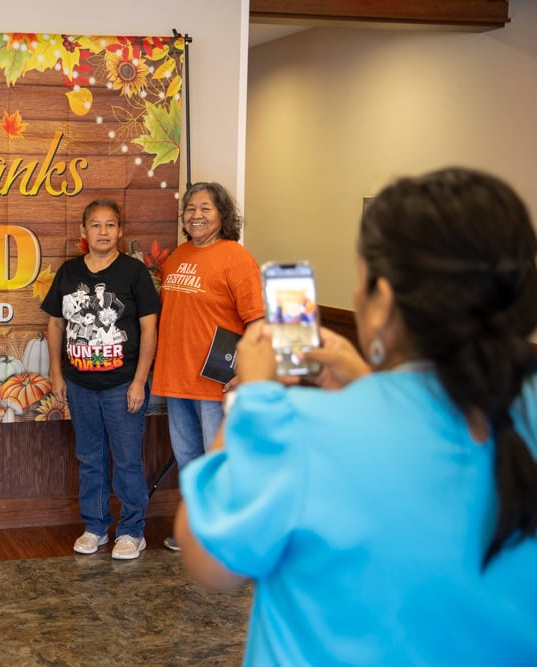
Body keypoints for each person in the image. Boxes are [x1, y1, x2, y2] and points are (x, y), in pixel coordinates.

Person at [175, 167, 537, 664]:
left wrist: (252, 399)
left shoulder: (304, 427)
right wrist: (369, 379)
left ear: (382, 301)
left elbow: (210, 560)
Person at [42, 199, 161, 560]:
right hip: (79, 384)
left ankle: (131, 530)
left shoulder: (134, 273)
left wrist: (140, 381)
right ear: (83, 232)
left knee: (126, 459)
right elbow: (55, 324)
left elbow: (149, 328)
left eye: (110, 225)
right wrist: (55, 372)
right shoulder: (68, 273)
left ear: (120, 231)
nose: (103, 232)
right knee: (90, 457)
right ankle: (95, 526)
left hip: (122, 383)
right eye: (96, 225)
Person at [152, 182, 264, 551]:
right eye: (190, 208)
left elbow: (258, 321)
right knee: (188, 460)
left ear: (222, 216)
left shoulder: (236, 257)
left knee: (219, 461)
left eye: (205, 208)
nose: (195, 215)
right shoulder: (178, 256)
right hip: (175, 377)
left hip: (216, 381)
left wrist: (244, 370)